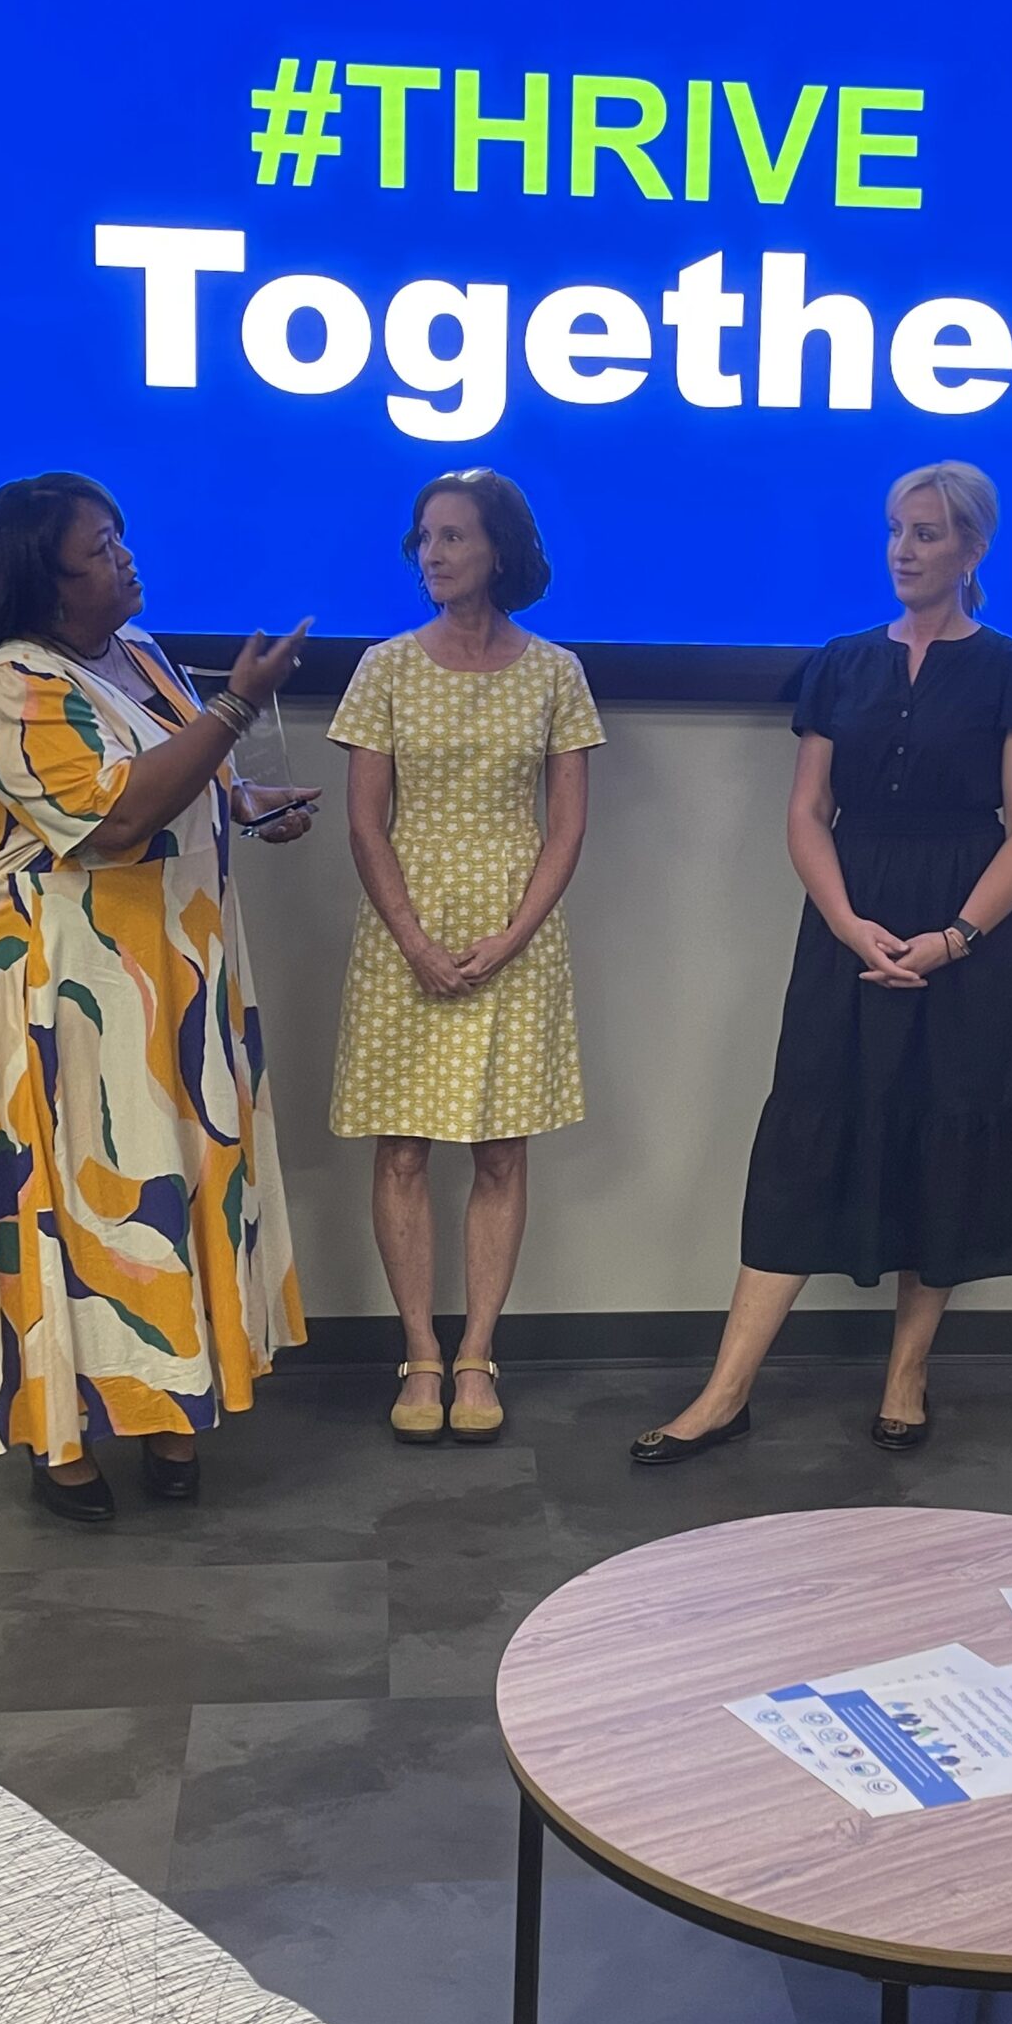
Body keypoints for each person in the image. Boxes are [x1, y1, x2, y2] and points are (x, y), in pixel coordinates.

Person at [632, 460, 1012, 1466]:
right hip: (847, 923)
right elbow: (805, 811)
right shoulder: (839, 662)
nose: (904, 551)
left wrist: (956, 937)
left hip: (972, 935)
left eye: (926, 534)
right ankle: (726, 1390)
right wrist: (845, 920)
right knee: (804, 1135)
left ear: (972, 549)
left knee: (944, 1130)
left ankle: (907, 1373)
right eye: (896, 531)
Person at [0, 473, 317, 1522]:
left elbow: (192, 784)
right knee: (74, 1204)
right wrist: (238, 703)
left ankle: (162, 1405)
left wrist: (250, 807)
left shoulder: (142, 656)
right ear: (42, 581)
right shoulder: (12, 683)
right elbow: (110, 818)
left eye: (119, 539)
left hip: (171, 982)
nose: (124, 559)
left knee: (169, 1191)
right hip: (62, 991)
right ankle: (60, 1436)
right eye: (99, 549)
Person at [328, 469, 604, 1444]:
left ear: (501, 550)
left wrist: (511, 935)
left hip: (515, 937)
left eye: (453, 536)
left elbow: (566, 827)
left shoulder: (556, 672)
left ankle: (479, 1351)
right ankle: (420, 1351)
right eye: (424, 537)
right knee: (401, 1148)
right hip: (407, 933)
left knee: (499, 1148)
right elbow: (367, 824)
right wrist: (414, 937)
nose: (433, 553)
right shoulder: (385, 666)